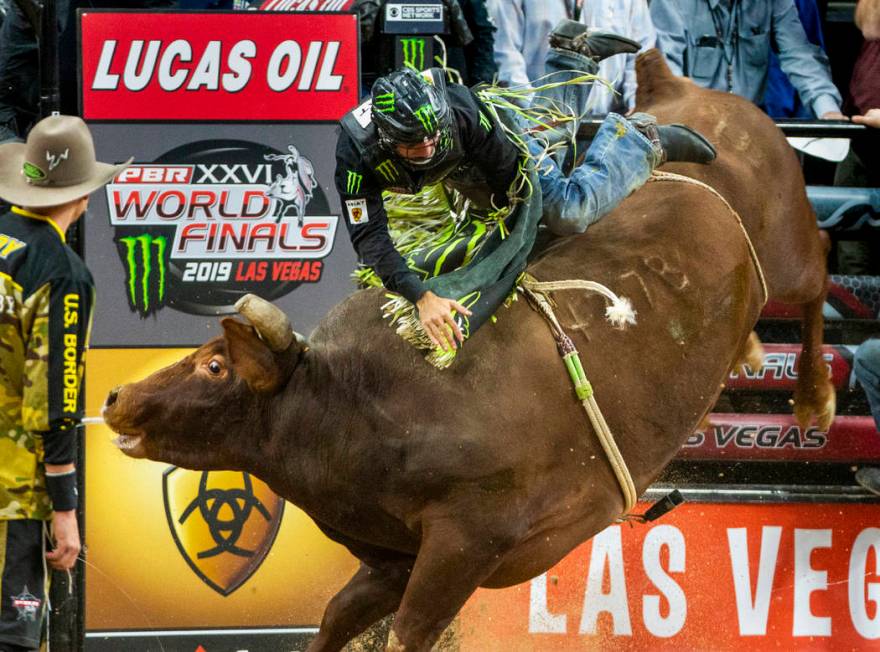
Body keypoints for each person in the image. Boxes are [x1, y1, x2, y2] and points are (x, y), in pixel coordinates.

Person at [335, 26, 716, 353]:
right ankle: (572, 56)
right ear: (387, 139)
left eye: (434, 135)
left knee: (565, 210)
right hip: (459, 173)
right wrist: (421, 295)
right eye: (416, 145)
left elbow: (515, 177)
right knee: (551, 145)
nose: (429, 146)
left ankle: (638, 141)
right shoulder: (357, 156)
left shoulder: (462, 114)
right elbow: (369, 235)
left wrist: (510, 232)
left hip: (499, 142)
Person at [0, 114, 130, 652]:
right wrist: (65, 508)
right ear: (82, 197)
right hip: (14, 491)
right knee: (15, 636)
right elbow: (56, 398)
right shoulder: (62, 273)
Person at [649, 0, 846, 120]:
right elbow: (666, 64)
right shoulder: (670, 2)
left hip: (750, 122)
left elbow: (800, 54)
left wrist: (828, 111)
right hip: (694, 121)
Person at [487, 0, 656, 116]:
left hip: (610, 123)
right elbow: (505, 54)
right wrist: (536, 112)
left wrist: (637, 106)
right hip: (537, 124)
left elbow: (640, 55)